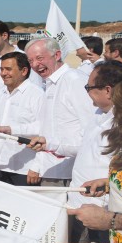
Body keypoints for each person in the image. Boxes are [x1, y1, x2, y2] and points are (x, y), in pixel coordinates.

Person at [29, 61, 122, 243]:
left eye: (89, 88)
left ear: (109, 91)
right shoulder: (98, 114)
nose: (86, 93)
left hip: (110, 218)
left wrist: (109, 218)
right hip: (91, 208)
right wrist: (108, 182)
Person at [25, 38, 94, 185]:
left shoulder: (74, 80)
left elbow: (91, 129)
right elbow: (46, 128)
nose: (35, 65)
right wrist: (38, 164)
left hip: (71, 173)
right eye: (30, 61)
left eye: (39, 58)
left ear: (57, 55)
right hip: (51, 169)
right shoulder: (49, 84)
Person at [0, 52, 45, 186]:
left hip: (25, 169)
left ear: (24, 71)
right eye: (1, 69)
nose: (3, 73)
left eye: (8, 69)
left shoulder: (37, 95)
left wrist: (37, 167)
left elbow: (43, 129)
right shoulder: (1, 94)